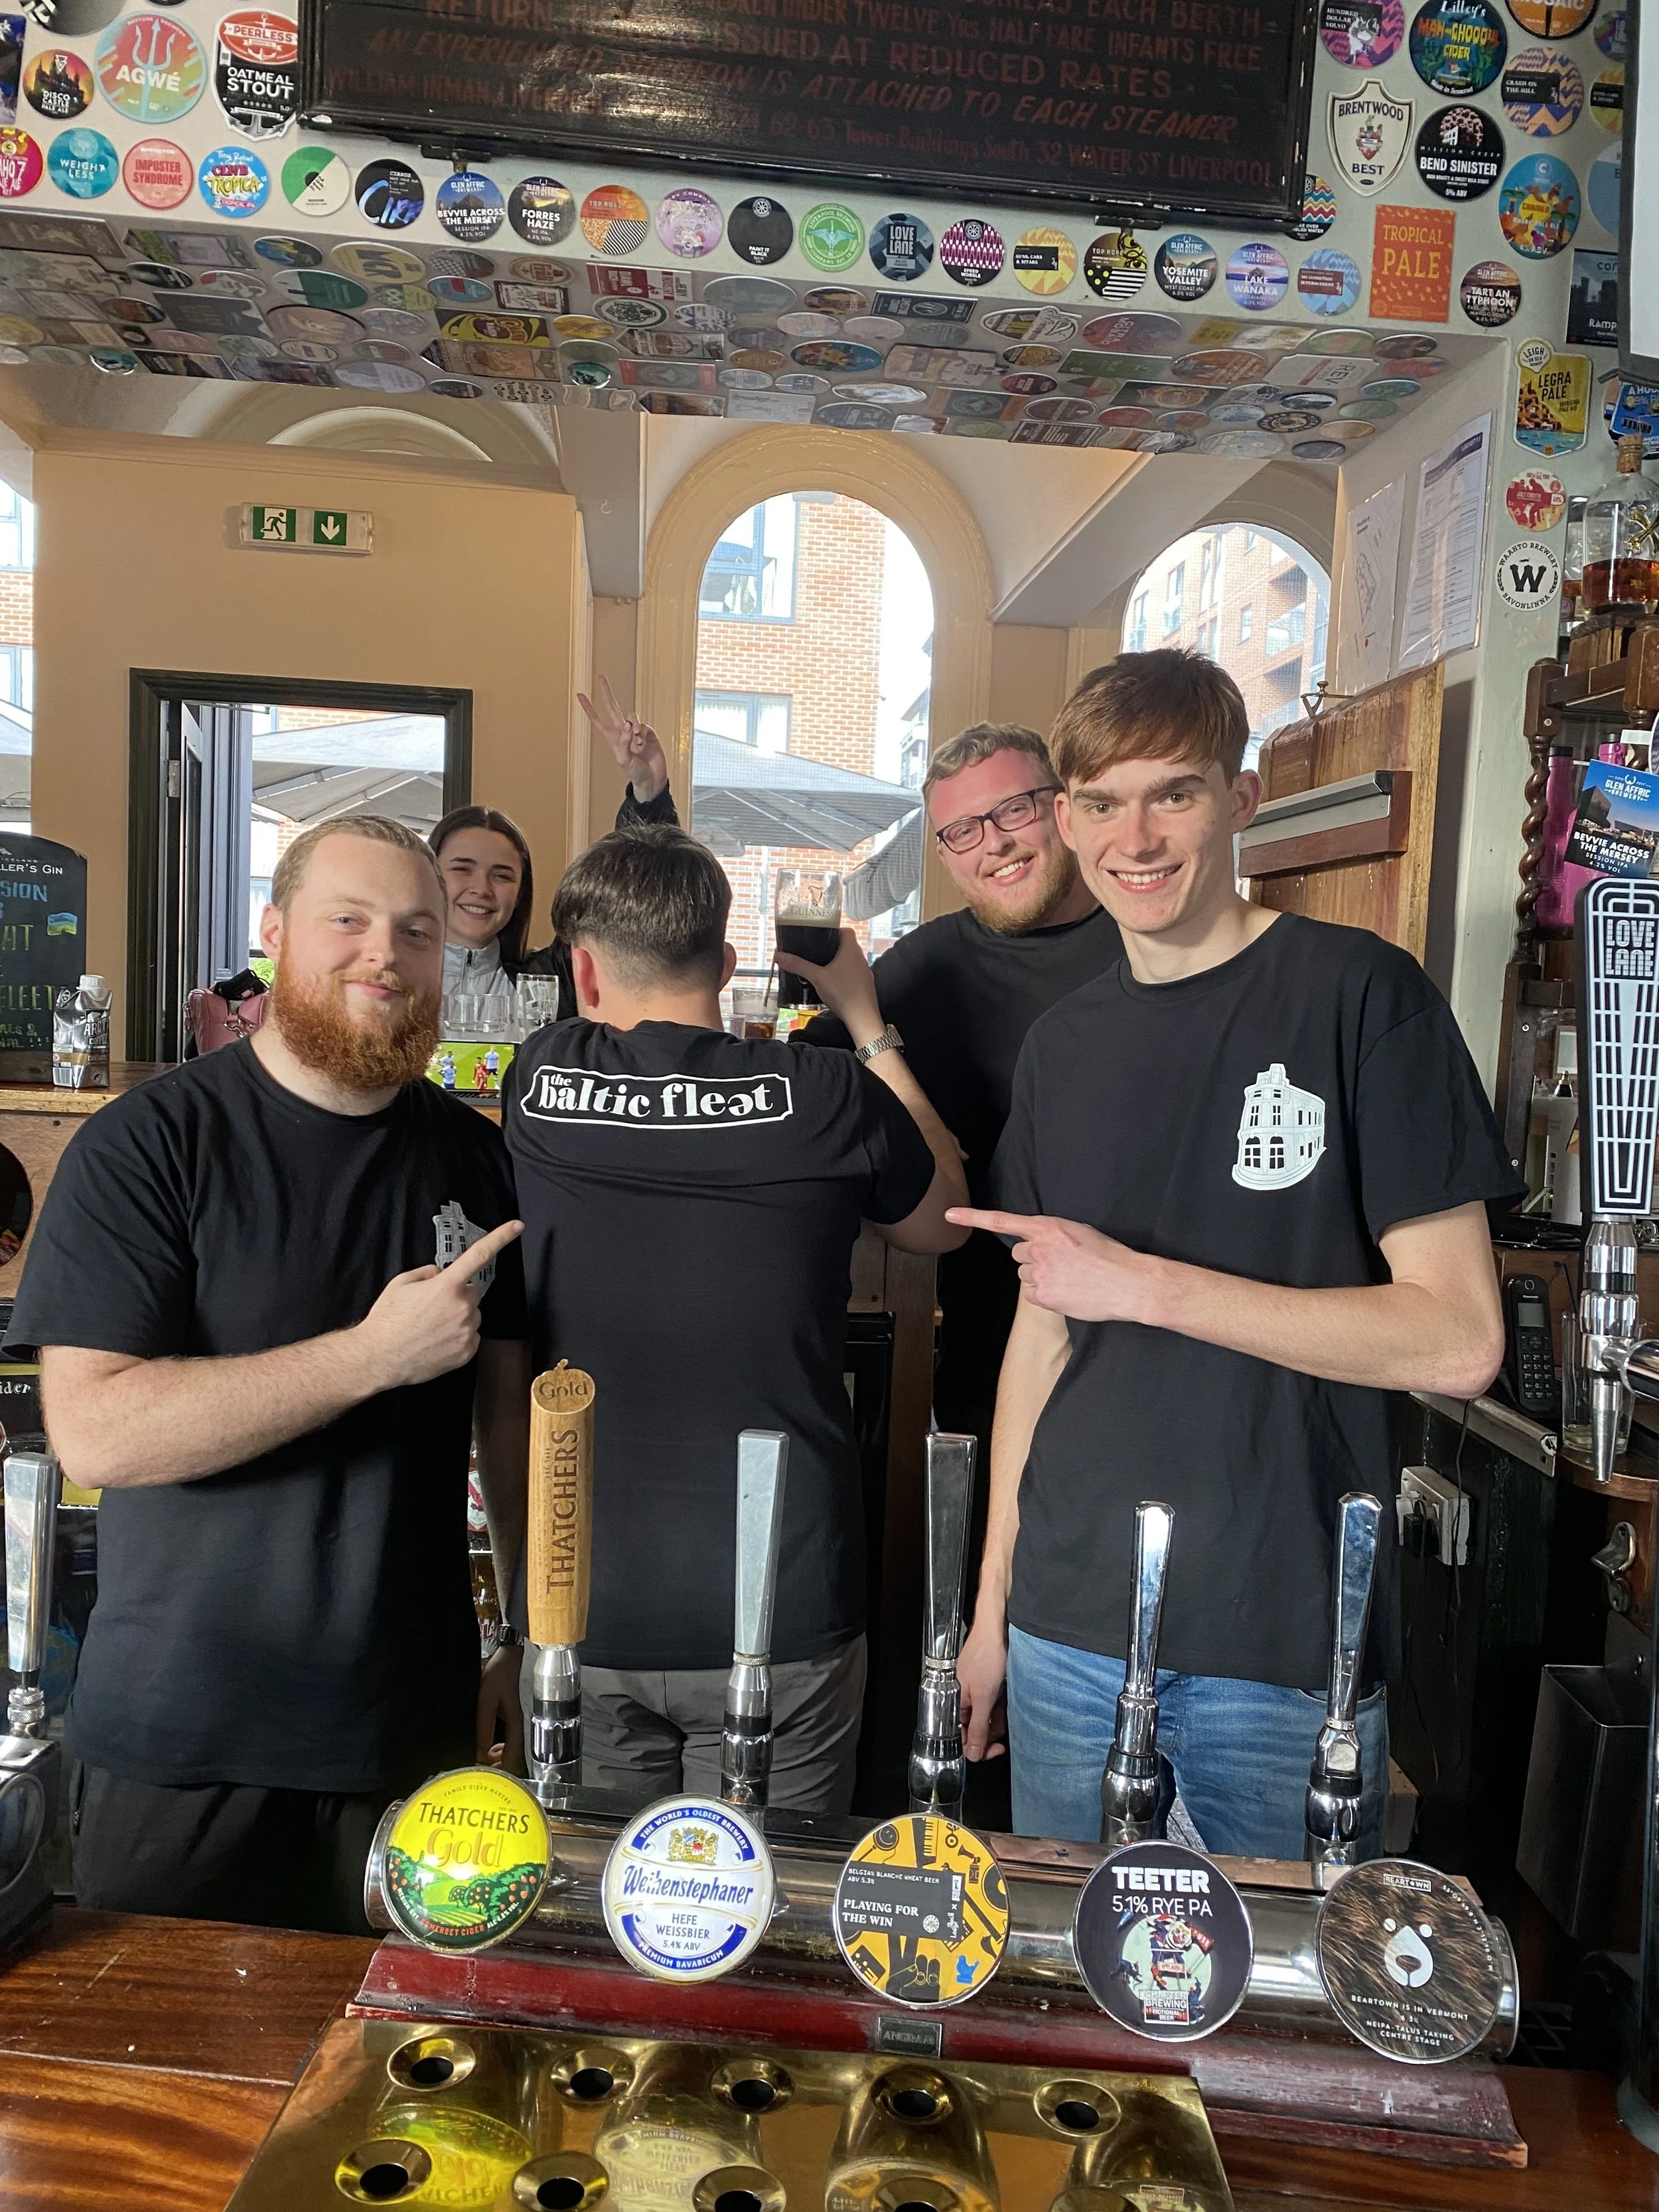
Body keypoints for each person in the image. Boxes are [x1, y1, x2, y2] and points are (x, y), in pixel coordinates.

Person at [950, 651, 1520, 1856]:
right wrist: (990, 1610)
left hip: (1284, 1634)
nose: (1136, 836)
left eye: (1177, 793)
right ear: (1064, 818)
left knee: (1276, 2021)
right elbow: (1041, 1337)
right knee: (1074, 2003)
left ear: (1241, 799)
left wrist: (1147, 1285)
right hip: (1065, 1624)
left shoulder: (1363, 998)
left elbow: (1459, 1337)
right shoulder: (1064, 1046)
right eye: (1101, 802)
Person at [7, 816, 530, 1934]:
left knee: (400, 2091)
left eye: (416, 930)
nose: (383, 953)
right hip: (185, 1749)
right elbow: (96, 1431)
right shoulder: (149, 1146)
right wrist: (369, 1356)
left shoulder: (474, 1155)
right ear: (275, 931)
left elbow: (509, 1415)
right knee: (164, 2101)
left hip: (413, 1741)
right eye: (348, 919)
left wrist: (526, 1633)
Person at [503, 823, 968, 1812]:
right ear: (723, 961)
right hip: (781, 1592)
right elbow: (944, 1222)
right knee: (763, 1918)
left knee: (597, 1927)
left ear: (584, 975)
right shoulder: (830, 1092)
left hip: (582, 1596)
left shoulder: (538, 1080)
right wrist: (866, 1022)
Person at [802, 724, 1123, 1499]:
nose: (995, 845)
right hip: (992, 1345)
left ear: (1064, 810)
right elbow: (810, 1086)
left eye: (1014, 811)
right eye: (964, 831)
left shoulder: (1146, 938)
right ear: (945, 857)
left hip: (1156, 1341)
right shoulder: (923, 967)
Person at [430, 675, 679, 1009]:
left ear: (521, 893)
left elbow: (629, 895)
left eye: (502, 875)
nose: (481, 888)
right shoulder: (391, 977)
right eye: (462, 868)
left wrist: (648, 793)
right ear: (429, 877)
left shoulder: (555, 978)